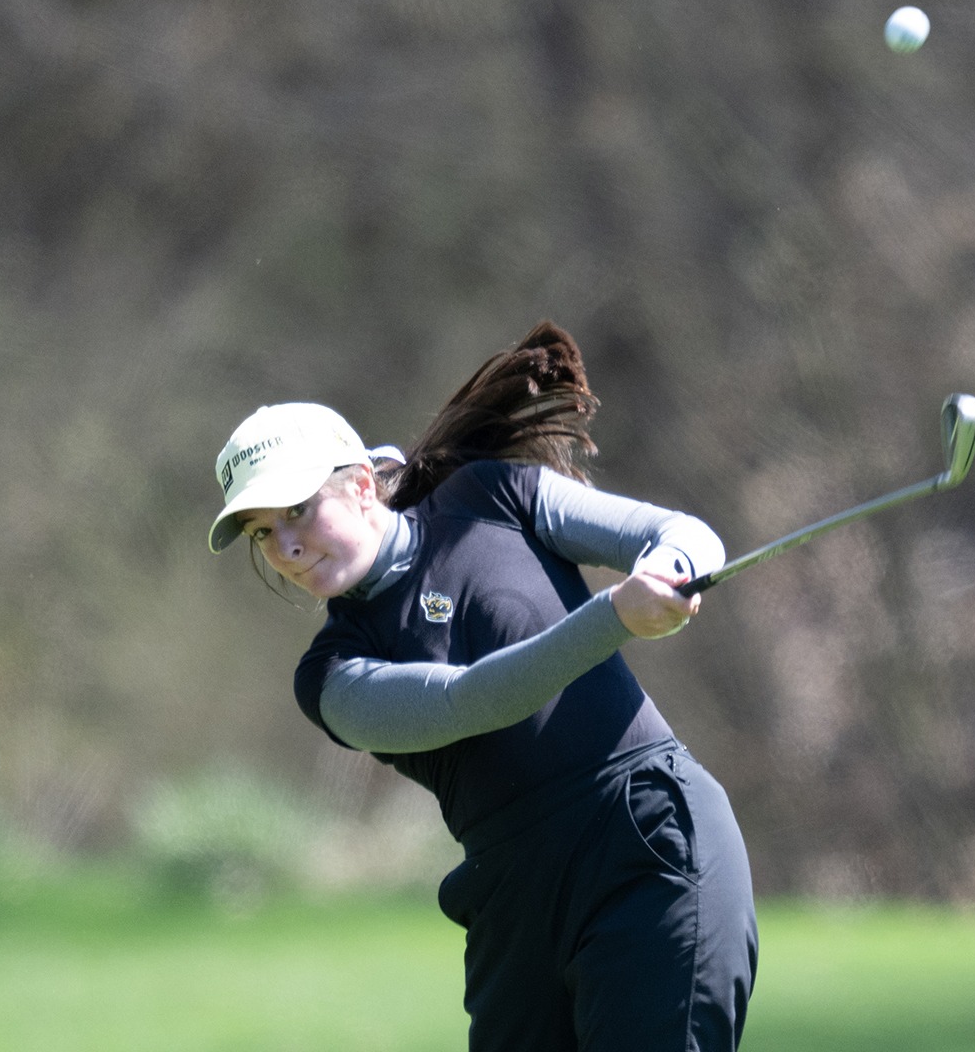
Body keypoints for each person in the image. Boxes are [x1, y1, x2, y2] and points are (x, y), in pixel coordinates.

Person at [207, 322, 757, 1052]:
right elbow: (467, 701)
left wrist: (670, 570)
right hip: (513, 908)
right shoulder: (331, 673)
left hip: (647, 842)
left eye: (298, 512)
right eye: (261, 534)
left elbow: (682, 533)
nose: (287, 548)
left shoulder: (493, 497)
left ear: (362, 485)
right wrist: (616, 616)